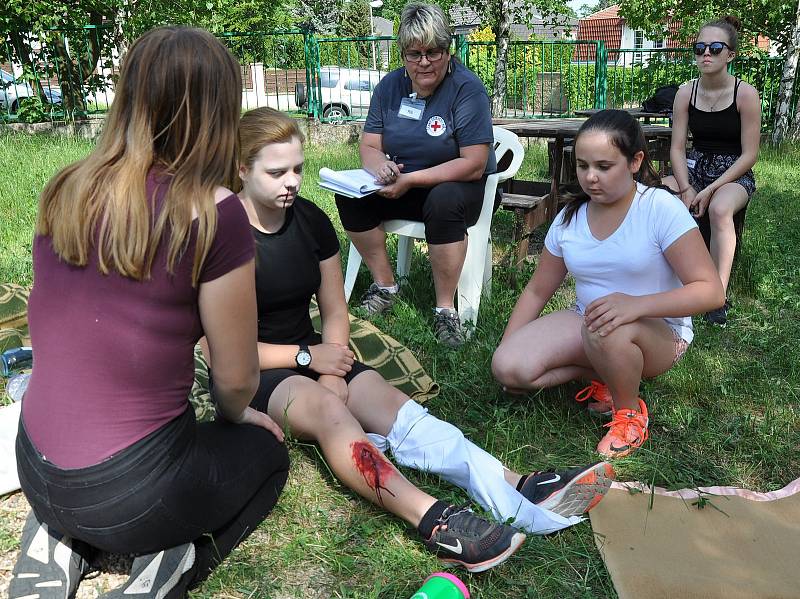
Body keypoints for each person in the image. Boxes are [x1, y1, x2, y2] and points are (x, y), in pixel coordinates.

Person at [223, 106, 615, 572]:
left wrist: (331, 368)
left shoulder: (310, 219)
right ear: (241, 170)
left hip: (318, 353)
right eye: (276, 172)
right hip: (259, 371)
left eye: (297, 169)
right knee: (331, 412)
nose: (291, 181)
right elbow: (220, 352)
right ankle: (434, 519)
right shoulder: (221, 236)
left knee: (403, 412)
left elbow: (334, 310)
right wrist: (313, 359)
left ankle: (516, 482)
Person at [9, 28, 289, 599]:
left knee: (93, 489)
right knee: (266, 456)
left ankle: (57, 541)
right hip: (135, 492)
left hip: (36, 466)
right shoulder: (215, 213)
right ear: (217, 113)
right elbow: (234, 381)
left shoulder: (65, 187)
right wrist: (242, 421)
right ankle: (170, 570)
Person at [492, 110, 725, 459]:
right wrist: (510, 344)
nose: (590, 177)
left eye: (604, 166)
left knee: (608, 328)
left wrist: (635, 305)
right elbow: (538, 289)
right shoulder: (570, 217)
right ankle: (606, 376)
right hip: (588, 321)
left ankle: (629, 414)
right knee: (509, 369)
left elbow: (711, 291)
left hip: (659, 332)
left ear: (635, 161)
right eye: (583, 166)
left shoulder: (658, 208)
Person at [335, 2, 497, 348]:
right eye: (414, 53)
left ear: (447, 51)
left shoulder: (467, 89)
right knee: (351, 194)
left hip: (461, 188)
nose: (424, 61)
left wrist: (411, 180)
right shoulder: (389, 87)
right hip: (404, 184)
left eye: (433, 52)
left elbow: (474, 163)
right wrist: (381, 167)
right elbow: (370, 145)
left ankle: (444, 311)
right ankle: (385, 285)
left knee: (444, 199)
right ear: (403, 55)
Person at [663, 16, 760, 326]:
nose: (706, 54)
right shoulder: (685, 93)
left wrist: (708, 189)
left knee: (719, 209)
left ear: (730, 55)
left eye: (715, 48)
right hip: (695, 166)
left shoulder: (745, 94)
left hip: (732, 172)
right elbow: (677, 148)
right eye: (700, 47)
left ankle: (716, 295)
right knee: (659, 196)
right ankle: (671, 282)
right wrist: (686, 188)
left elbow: (750, 155)